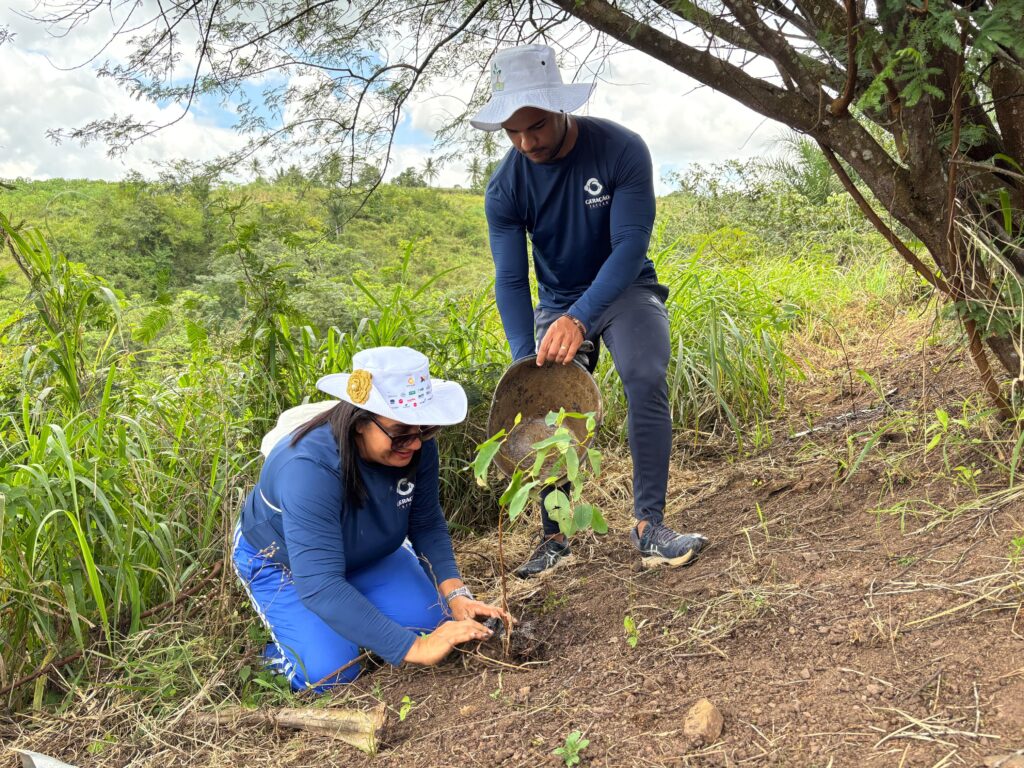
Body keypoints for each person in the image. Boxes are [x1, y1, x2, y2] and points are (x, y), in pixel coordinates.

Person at [471, 44, 709, 577]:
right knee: (542, 399)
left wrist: (580, 319)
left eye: (536, 126)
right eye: (512, 132)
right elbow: (511, 279)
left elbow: (629, 244)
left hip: (625, 286)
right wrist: (525, 365)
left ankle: (649, 526)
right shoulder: (506, 186)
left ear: (560, 107)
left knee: (644, 373)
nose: (526, 142)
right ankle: (554, 537)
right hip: (557, 298)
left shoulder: (620, 149)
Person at [232, 346, 508, 691]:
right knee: (330, 674)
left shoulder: (413, 440)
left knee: (435, 624)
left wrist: (457, 597)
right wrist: (416, 649)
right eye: (401, 431)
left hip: (366, 552)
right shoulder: (308, 469)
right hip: (288, 565)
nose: (415, 444)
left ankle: (352, 621)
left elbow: (426, 523)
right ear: (360, 422)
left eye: (424, 429)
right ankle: (280, 652)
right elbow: (319, 583)